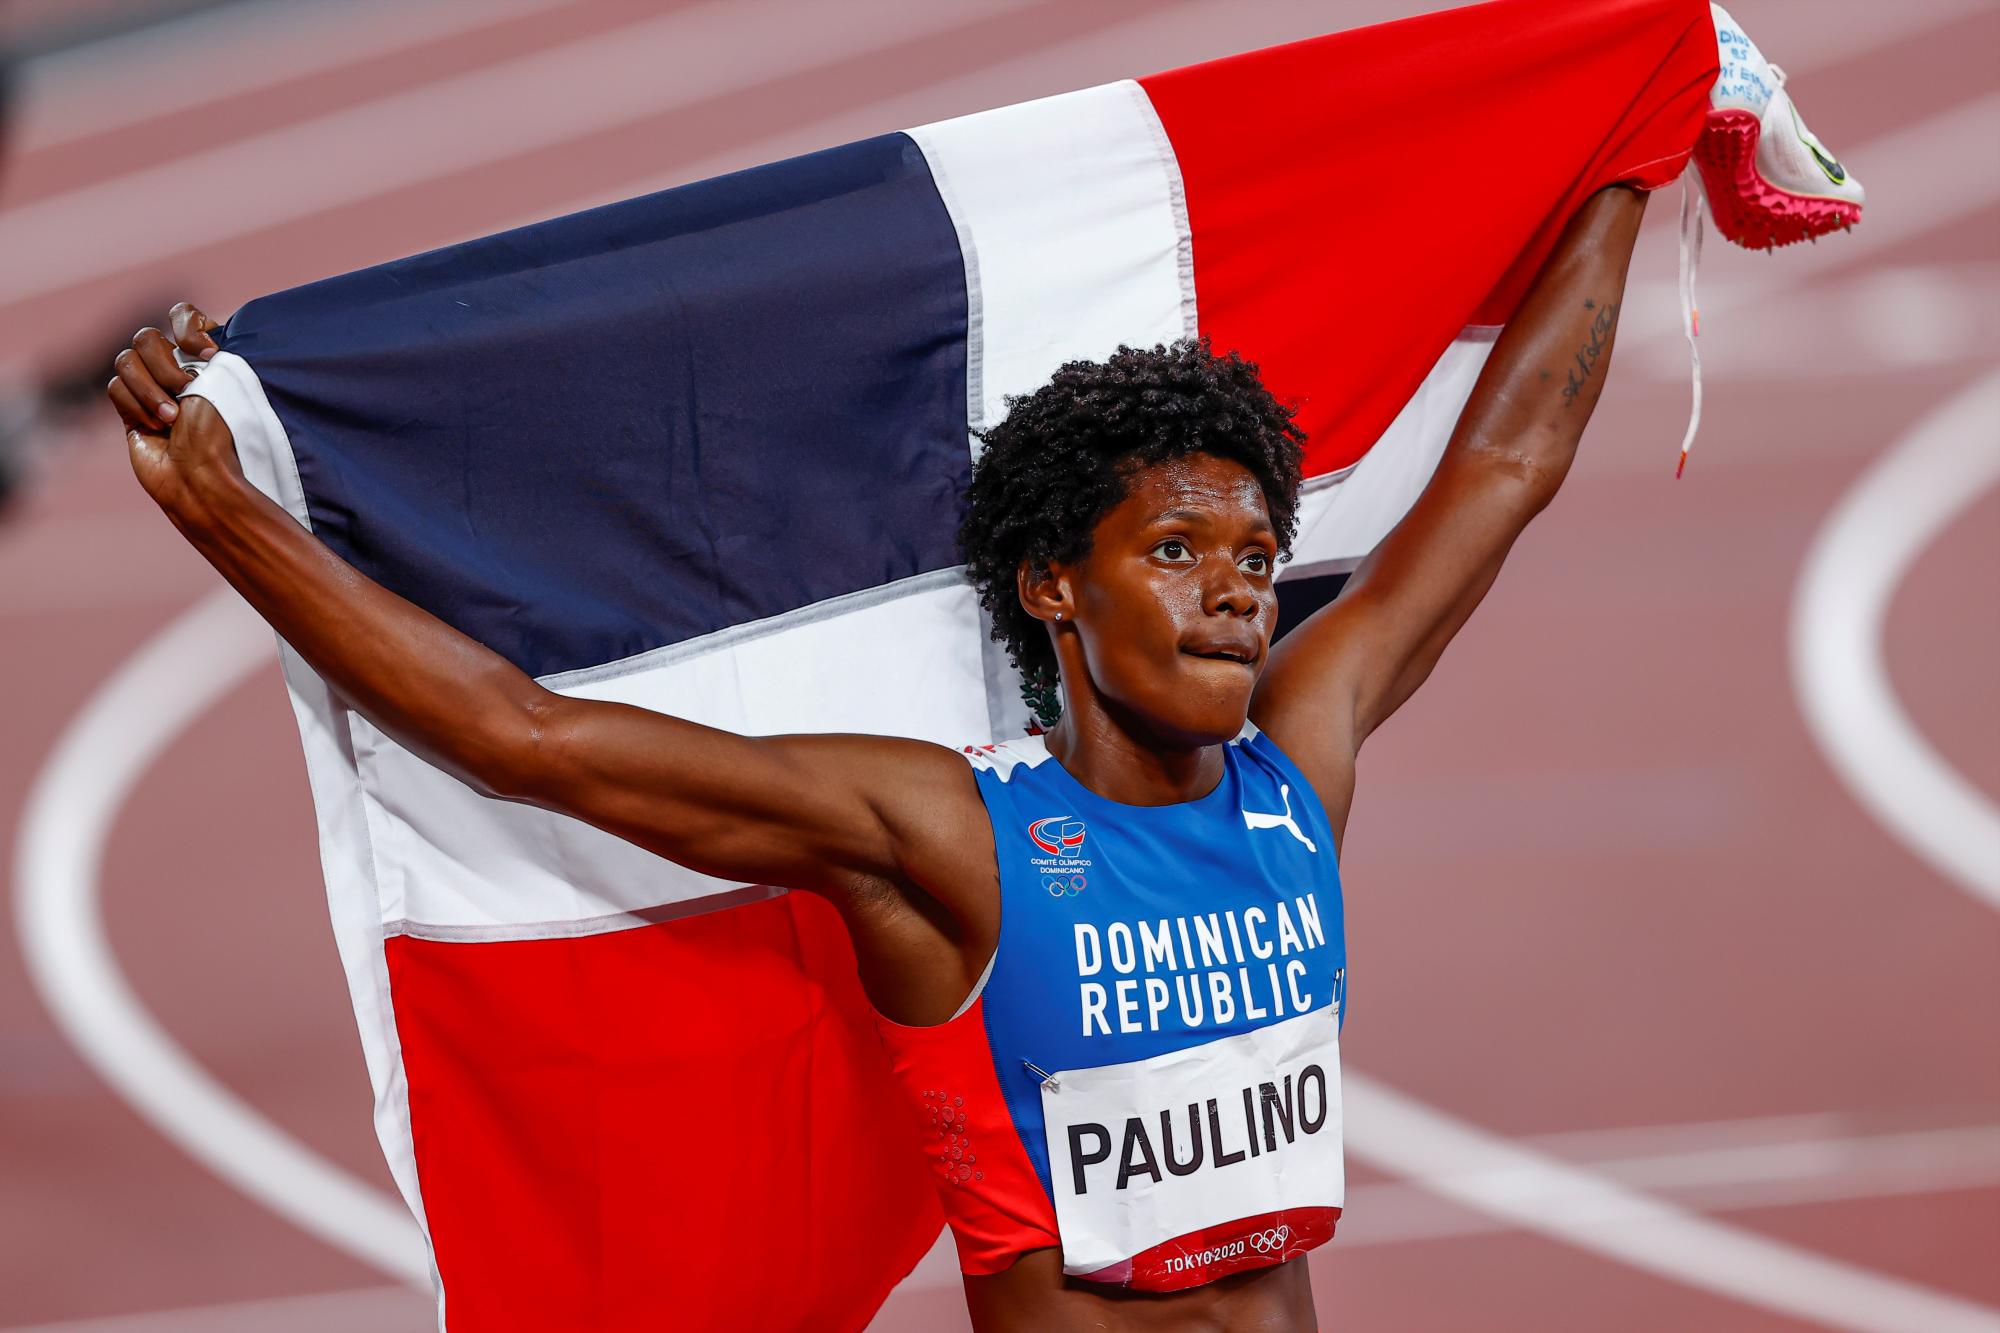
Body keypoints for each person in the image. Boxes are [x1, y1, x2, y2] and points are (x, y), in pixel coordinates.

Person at [105, 8, 1857, 1329]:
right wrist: (232, 519)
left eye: (1255, 554)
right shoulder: (943, 838)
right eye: (1177, 553)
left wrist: (1640, 119)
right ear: (1053, 587)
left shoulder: (1295, 771)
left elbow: (1505, 468)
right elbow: (532, 735)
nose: (1244, 592)